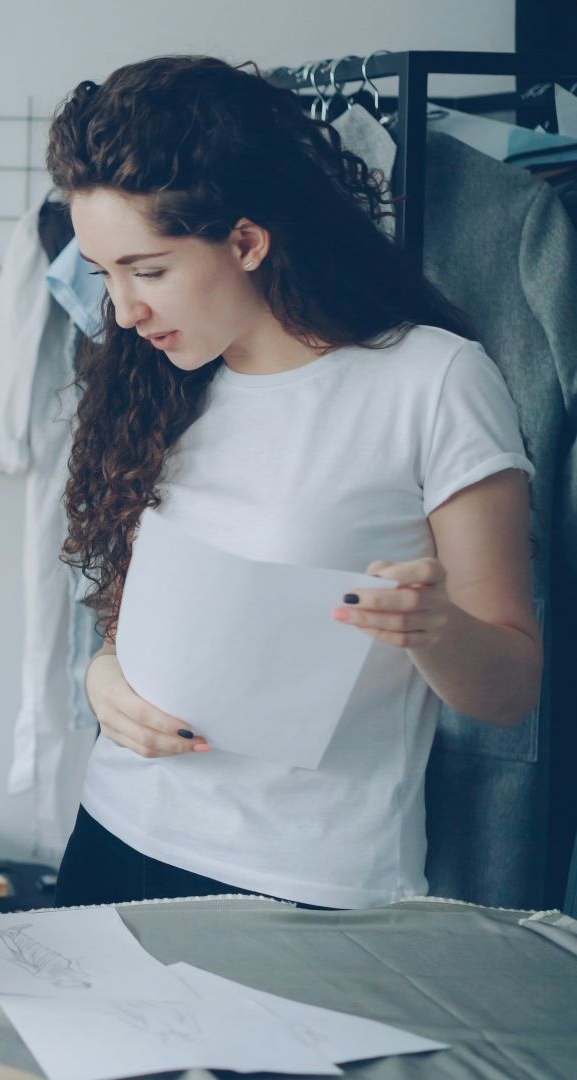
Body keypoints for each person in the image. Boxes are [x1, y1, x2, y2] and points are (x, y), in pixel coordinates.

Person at [47, 56, 541, 909]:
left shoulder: (434, 381)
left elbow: (510, 691)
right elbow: (143, 626)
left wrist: (433, 628)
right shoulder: (155, 382)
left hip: (303, 883)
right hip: (117, 834)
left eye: (148, 270)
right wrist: (104, 677)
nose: (123, 310)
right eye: (104, 275)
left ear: (246, 241)